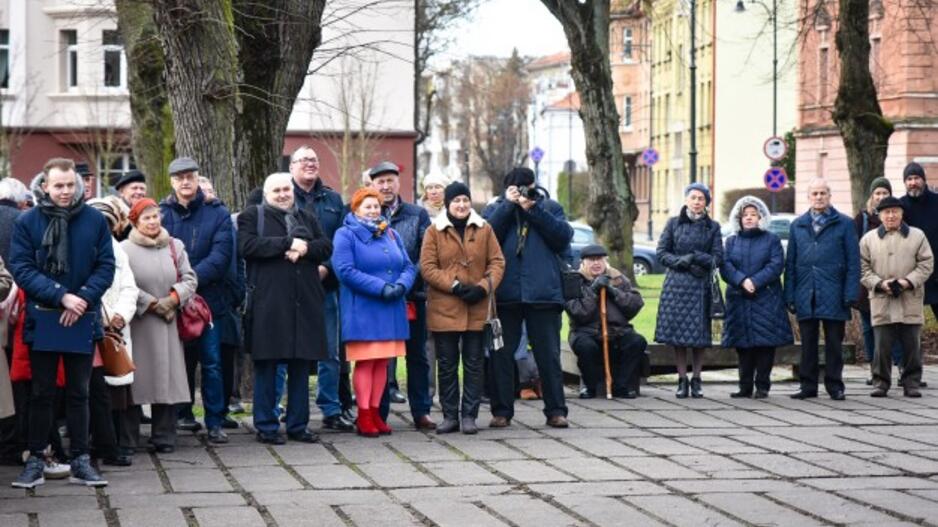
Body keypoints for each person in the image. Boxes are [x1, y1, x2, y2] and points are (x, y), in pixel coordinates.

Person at [9, 158, 115, 488]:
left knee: (79, 393)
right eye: (59, 186)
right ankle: (37, 458)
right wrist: (61, 296)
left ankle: (81, 459)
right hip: (43, 317)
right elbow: (22, 267)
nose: (66, 191)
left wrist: (82, 297)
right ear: (45, 186)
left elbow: (106, 265)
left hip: (83, 317)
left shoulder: (94, 220)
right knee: (41, 393)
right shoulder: (27, 221)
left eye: (70, 185)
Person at [239, 173, 333, 444]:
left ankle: (298, 425)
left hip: (305, 304)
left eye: (286, 189)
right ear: (266, 193)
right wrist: (288, 244)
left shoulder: (306, 217)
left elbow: (325, 246)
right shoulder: (251, 216)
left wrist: (303, 250)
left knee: (301, 368)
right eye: (276, 190)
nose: (283, 194)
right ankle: (266, 426)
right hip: (269, 305)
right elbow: (247, 246)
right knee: (267, 367)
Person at [482, 166, 574, 428]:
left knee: (549, 355)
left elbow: (562, 238)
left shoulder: (549, 207)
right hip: (506, 293)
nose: (523, 191)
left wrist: (532, 209)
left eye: (527, 185)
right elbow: (485, 238)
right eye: (517, 187)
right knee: (501, 354)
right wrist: (508, 207)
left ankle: (556, 410)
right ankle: (501, 411)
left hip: (543, 292)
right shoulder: (496, 209)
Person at [420, 182, 504, 434]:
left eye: (465, 200)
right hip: (445, 307)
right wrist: (455, 286)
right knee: (446, 364)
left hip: (477, 308)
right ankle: (449, 416)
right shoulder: (434, 231)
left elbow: (497, 262)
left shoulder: (485, 229)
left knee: (474, 363)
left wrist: (483, 287)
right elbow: (428, 267)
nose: (461, 205)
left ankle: (469, 415)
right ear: (447, 204)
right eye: (456, 201)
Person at [159, 157, 232, 444]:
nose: (185, 182)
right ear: (172, 182)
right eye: (179, 178)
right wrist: (178, 288)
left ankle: (214, 421)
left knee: (212, 364)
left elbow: (221, 258)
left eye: (190, 176)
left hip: (208, 301)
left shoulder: (218, 213)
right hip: (172, 299)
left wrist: (187, 282)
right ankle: (180, 416)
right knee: (177, 363)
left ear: (198, 178)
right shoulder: (161, 212)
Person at [333, 187, 416, 437]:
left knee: (383, 363)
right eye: (367, 206)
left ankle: (376, 412)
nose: (373, 210)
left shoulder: (390, 233)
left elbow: (408, 265)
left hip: (391, 307)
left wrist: (402, 285)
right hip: (364, 308)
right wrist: (381, 288)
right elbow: (345, 270)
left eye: (376, 206)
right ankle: (364, 415)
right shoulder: (345, 235)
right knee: (366, 363)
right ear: (355, 209)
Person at [122, 198, 197, 453]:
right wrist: (153, 304)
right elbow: (124, 284)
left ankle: (164, 436)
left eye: (155, 216)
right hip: (139, 323)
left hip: (168, 323)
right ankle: (129, 438)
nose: (153, 222)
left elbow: (190, 278)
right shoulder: (124, 249)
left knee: (167, 378)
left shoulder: (175, 246)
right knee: (136, 381)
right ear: (135, 222)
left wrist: (173, 298)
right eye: (147, 218)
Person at [289, 146, 354, 431]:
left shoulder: (333, 199)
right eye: (303, 160)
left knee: (330, 351)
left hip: (325, 286)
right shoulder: (282, 196)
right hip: (289, 287)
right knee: (289, 350)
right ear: (291, 166)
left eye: (314, 160)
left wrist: (326, 267)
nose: (309, 164)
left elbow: (341, 239)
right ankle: (291, 407)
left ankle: (330, 409)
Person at [369, 161, 435, 430]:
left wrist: (405, 283)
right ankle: (379, 410)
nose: (385, 186)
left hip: (413, 295)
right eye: (380, 182)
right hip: (379, 299)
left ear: (398, 183)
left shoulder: (417, 214)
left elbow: (425, 253)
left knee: (417, 355)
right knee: (382, 356)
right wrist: (383, 287)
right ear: (372, 185)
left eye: (390, 181)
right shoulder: (368, 213)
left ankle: (421, 410)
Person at [785, 178, 859, 400]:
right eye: (814, 193)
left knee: (834, 343)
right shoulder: (797, 225)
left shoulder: (844, 224)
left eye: (823, 193)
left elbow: (853, 262)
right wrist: (789, 294)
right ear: (808, 197)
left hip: (834, 291)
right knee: (808, 343)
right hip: (806, 291)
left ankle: (835, 385)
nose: (818, 197)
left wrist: (851, 293)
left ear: (829, 196)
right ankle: (808, 386)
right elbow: (791, 263)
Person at [860, 196, 933, 397]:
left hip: (909, 296)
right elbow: (863, 268)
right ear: (880, 215)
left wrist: (908, 281)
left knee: (912, 343)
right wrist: (879, 283)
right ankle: (881, 382)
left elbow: (926, 264)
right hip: (882, 298)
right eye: (886, 212)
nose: (891, 215)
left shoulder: (917, 236)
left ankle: (911, 382)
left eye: (895, 211)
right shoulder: (868, 239)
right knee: (881, 345)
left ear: (901, 214)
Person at [655, 182, 723, 399]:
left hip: (700, 285)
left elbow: (718, 258)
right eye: (693, 197)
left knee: (700, 336)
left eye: (701, 198)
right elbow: (662, 253)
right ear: (686, 200)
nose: (696, 202)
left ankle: (697, 379)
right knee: (678, 336)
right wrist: (681, 261)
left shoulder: (713, 227)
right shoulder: (673, 223)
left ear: (706, 203)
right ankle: (681, 379)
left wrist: (697, 257)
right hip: (676, 285)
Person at [720, 196, 792, 398]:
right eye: (745, 215)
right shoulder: (732, 241)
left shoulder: (772, 239)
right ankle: (744, 386)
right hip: (739, 299)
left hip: (766, 298)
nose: (749, 218)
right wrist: (742, 281)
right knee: (743, 346)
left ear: (761, 217)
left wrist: (755, 282)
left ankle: (762, 386)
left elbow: (776, 265)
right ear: (739, 218)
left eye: (753, 214)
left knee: (765, 345)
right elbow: (725, 266)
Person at [87, 197, 139, 467]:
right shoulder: (80, 247)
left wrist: (120, 315)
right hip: (88, 325)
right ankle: (91, 443)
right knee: (91, 389)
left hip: (114, 328)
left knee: (115, 391)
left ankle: (113, 443)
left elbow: (130, 287)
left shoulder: (118, 251)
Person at [565, 244, 646, 399]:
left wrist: (614, 292)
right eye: (591, 260)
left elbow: (635, 304)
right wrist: (594, 291)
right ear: (583, 263)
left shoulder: (618, 278)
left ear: (606, 261)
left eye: (599, 260)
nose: (596, 263)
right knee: (586, 347)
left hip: (617, 331)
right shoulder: (574, 281)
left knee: (637, 342)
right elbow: (579, 313)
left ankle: (621, 385)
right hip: (586, 332)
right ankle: (590, 386)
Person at [853, 178, 901, 381]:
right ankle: (876, 371)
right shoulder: (862, 220)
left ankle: (902, 368)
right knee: (869, 328)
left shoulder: (897, 220)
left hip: (893, 281)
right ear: (871, 197)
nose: (881, 197)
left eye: (885, 193)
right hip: (867, 284)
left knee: (896, 327)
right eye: (877, 193)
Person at [899, 162, 938, 322]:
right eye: (909, 179)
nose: (913, 182)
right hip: (911, 274)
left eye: (916, 178)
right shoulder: (900, 206)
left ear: (923, 179)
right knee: (909, 327)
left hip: (937, 273)